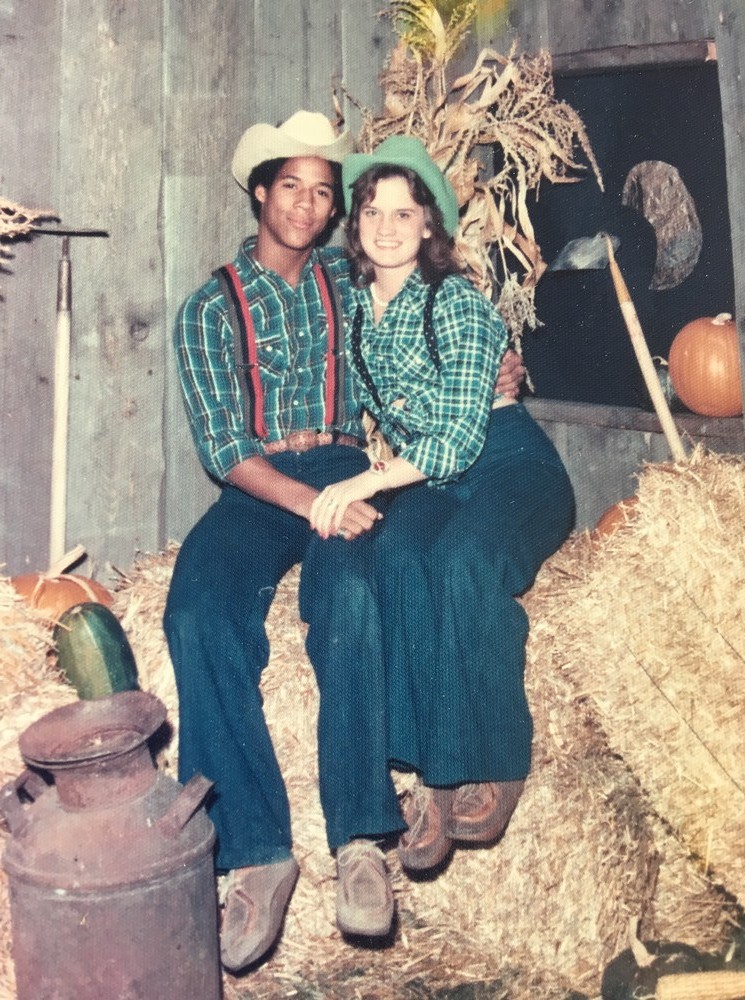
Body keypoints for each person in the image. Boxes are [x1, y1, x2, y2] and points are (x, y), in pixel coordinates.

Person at [164, 112, 526, 971]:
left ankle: (361, 840)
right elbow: (224, 450)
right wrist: (311, 503)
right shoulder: (209, 308)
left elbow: (438, 306)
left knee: (353, 598)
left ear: (336, 211)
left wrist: (498, 367)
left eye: (323, 192)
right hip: (260, 483)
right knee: (197, 611)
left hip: (346, 463)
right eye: (290, 186)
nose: (306, 204)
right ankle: (256, 851)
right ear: (260, 193)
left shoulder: (348, 273)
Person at [310, 135, 575, 874]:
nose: (386, 226)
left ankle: (495, 758)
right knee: (397, 555)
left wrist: (365, 481)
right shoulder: (353, 307)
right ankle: (433, 772)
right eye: (372, 211)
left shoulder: (456, 302)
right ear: (355, 224)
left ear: (430, 224)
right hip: (427, 479)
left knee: (462, 559)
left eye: (404, 213)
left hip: (508, 463)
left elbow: (458, 437)